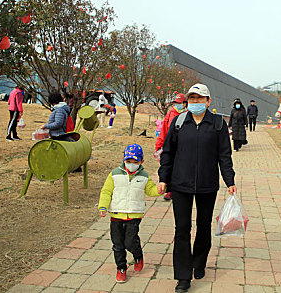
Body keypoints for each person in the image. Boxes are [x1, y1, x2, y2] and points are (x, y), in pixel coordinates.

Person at [158, 83, 236, 293]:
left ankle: (199, 262)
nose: (195, 102)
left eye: (199, 99)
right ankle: (183, 277)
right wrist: (163, 178)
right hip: (180, 184)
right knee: (182, 229)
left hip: (207, 185)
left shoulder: (218, 124)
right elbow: (168, 153)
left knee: (203, 227)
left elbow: (224, 156)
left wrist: (230, 181)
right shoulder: (179, 122)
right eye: (191, 99)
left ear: (208, 102)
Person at [98, 144, 160, 283]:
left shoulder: (144, 176)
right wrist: (103, 206)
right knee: (118, 244)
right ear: (124, 160)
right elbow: (106, 191)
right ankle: (121, 268)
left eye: (135, 162)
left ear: (141, 162)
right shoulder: (115, 174)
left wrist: (160, 190)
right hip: (116, 215)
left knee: (130, 241)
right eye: (129, 161)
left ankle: (137, 255)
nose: (131, 165)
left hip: (134, 215)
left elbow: (150, 190)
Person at [154, 93, 188, 201]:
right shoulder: (170, 114)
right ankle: (169, 190)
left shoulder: (189, 115)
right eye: (175, 103)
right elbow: (163, 131)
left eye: (179, 103)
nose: (177, 105)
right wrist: (159, 146)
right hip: (170, 145)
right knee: (169, 167)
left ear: (185, 104)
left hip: (183, 147)